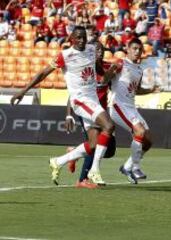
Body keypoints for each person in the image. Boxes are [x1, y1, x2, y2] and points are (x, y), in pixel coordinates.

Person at [10, 26, 115, 186]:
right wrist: (23, 91)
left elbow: (98, 70)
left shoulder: (91, 50)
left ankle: (58, 161)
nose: (81, 41)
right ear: (71, 38)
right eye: (78, 37)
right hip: (80, 100)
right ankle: (94, 170)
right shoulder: (65, 56)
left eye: (84, 38)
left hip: (92, 99)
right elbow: (42, 73)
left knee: (93, 144)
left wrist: (108, 75)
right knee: (108, 126)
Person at [107, 38, 161, 184]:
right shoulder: (120, 63)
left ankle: (127, 166)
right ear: (128, 49)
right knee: (140, 132)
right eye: (135, 48)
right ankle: (136, 167)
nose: (137, 52)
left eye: (139, 49)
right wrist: (110, 72)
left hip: (131, 107)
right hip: (117, 105)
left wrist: (151, 90)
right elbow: (106, 79)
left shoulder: (139, 70)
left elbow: (136, 90)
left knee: (148, 141)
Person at [66, 42, 117, 189]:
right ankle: (82, 180)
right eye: (96, 50)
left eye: (102, 50)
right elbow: (73, 95)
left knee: (110, 150)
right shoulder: (84, 69)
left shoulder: (108, 67)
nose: (100, 52)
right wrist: (69, 115)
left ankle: (75, 152)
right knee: (95, 145)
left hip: (101, 113)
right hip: (86, 111)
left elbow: (112, 79)